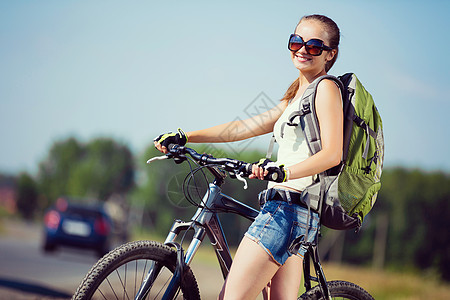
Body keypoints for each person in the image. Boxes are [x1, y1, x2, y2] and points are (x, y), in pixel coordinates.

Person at [154, 14, 343, 300]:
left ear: (331, 54)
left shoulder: (326, 88)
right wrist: (186, 135)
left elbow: (333, 153)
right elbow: (243, 128)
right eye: (296, 42)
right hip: (291, 214)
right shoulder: (297, 93)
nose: (303, 49)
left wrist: (284, 172)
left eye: (314, 46)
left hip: (288, 212)